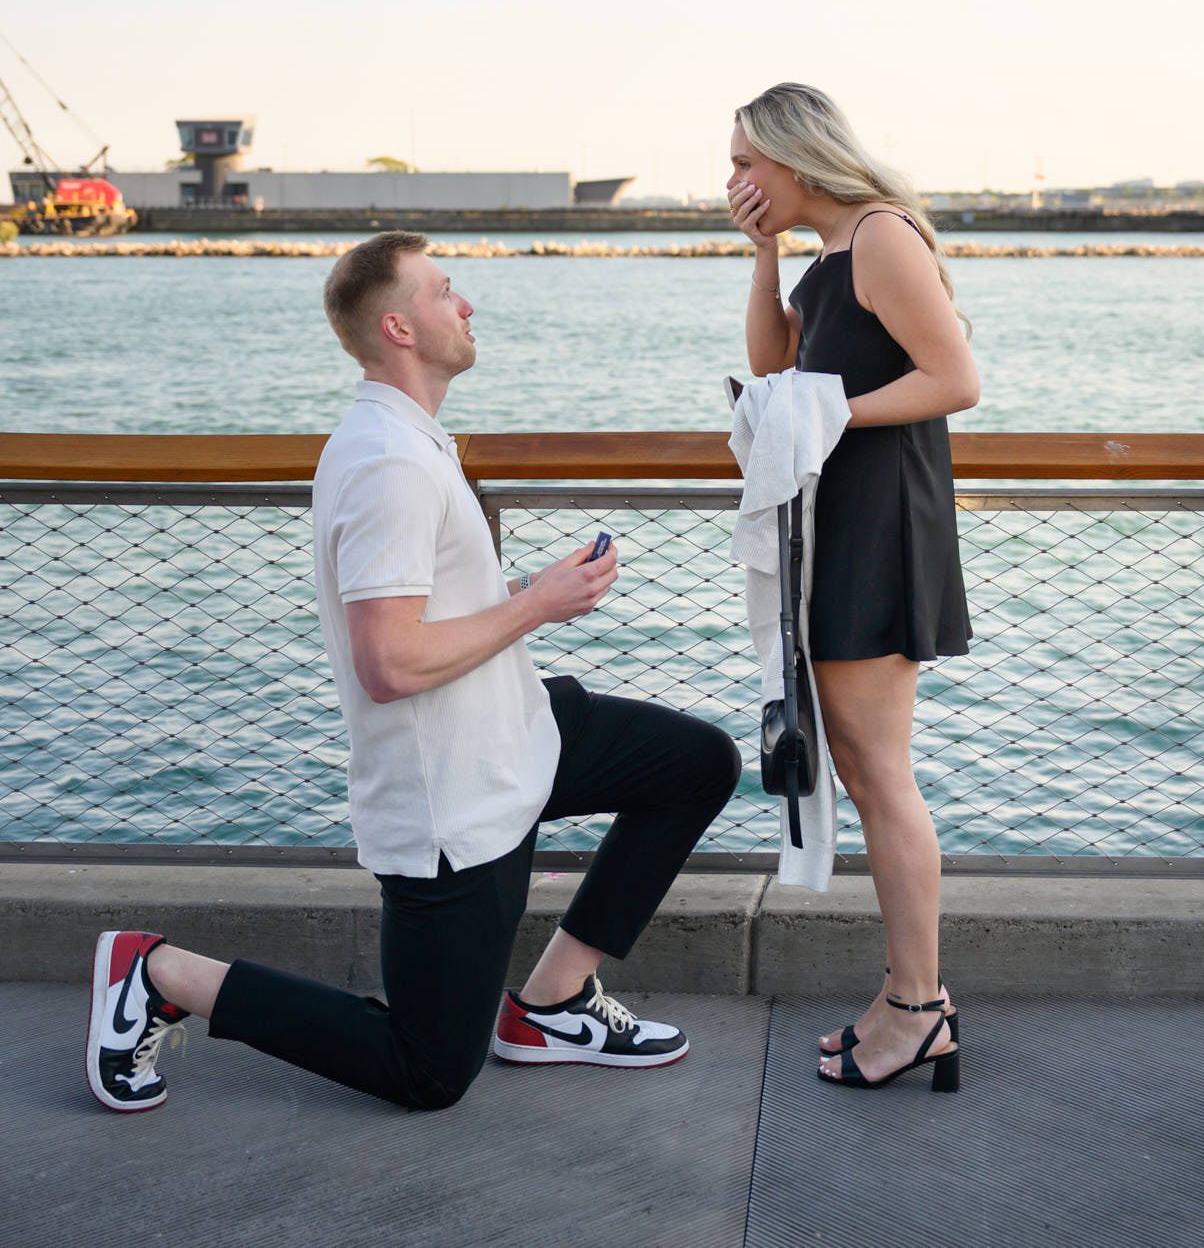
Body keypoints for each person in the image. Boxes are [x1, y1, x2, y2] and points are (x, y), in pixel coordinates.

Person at [87, 231, 740, 1115]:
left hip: (515, 732)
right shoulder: (389, 462)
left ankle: (551, 1003)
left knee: (697, 762)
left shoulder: (410, 438)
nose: (465, 304)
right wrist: (536, 605)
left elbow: (418, 614)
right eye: (443, 291)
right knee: (426, 1073)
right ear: (397, 326)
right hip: (452, 795)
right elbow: (389, 663)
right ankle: (157, 973)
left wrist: (517, 591)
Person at [727, 84, 978, 1092]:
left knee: (880, 774)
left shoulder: (880, 235)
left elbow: (955, 377)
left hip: (880, 531)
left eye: (747, 161)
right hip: (841, 529)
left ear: (795, 155)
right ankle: (908, 995)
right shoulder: (831, 252)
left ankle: (920, 1008)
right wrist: (760, 253)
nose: (734, 181)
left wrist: (823, 419)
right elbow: (771, 362)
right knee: (870, 775)